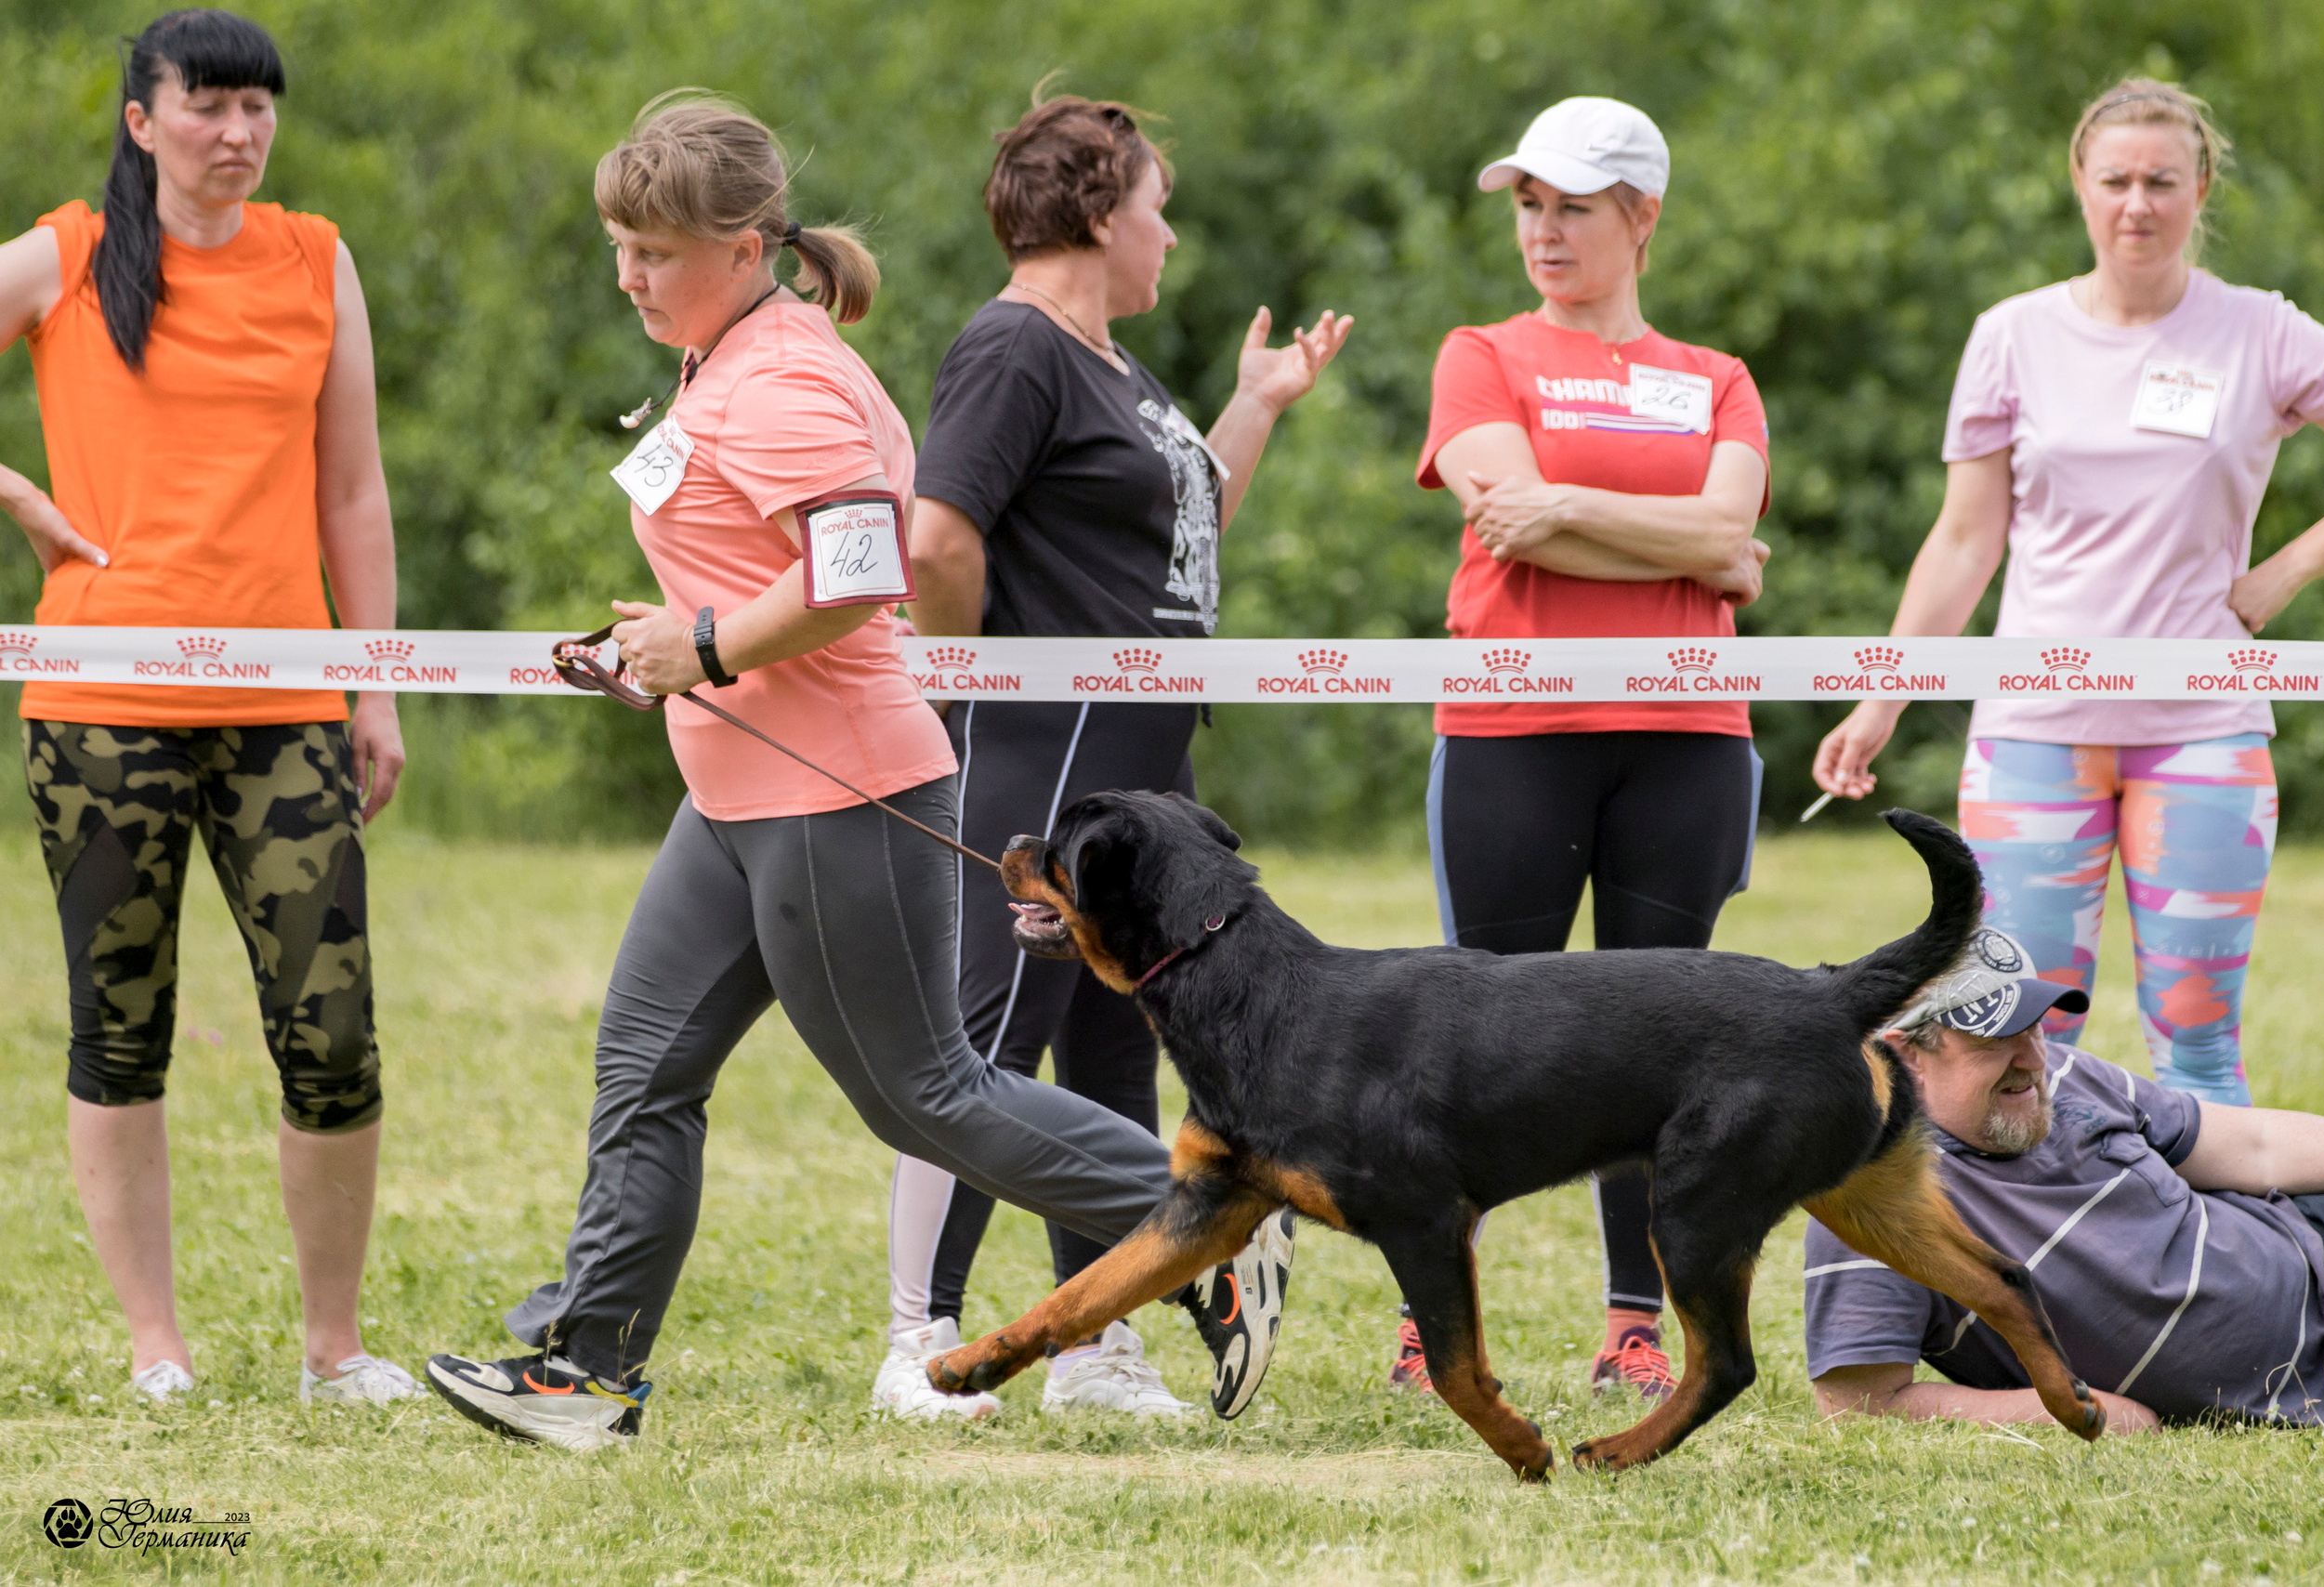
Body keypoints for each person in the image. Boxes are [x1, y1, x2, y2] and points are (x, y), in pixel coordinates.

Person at [423, 93, 1293, 1451]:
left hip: (839, 790)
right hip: (731, 793)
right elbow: (767, 566)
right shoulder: (737, 354)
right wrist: (662, 643)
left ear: (749, 243)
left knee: (928, 1091)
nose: (629, 276)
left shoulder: (783, 375)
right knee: (646, 1074)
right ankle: (584, 1376)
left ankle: (1214, 1209)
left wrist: (701, 642)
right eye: (619, 245)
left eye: (655, 250)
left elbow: (860, 570)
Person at [877, 95, 1349, 1420]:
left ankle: (1091, 1347)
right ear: (1098, 212)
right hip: (1043, 760)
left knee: (1111, 1047)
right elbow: (935, 538)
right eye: (1157, 206)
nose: (1172, 233)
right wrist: (972, 693)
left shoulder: (1117, 371)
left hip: (1136, 787)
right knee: (986, 1050)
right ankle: (920, 1338)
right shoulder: (1016, 346)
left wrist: (1254, 407)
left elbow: (1181, 547)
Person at [1810, 80, 2324, 1108]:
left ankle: (2223, 1266)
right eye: (2114, 179)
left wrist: (2285, 571)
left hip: (2202, 729)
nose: (2137, 204)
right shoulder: (2010, 336)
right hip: (2035, 732)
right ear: (2078, 183)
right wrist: (1881, 696)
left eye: (2161, 181)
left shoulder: (2261, 332)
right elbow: (1963, 538)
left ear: (2198, 187)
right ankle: (2034, 1262)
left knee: (2198, 1042)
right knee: (2018, 1037)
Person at [0, 9, 417, 1408]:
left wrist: (378, 683)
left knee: (333, 1027)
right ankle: (155, 1348)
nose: (238, 134)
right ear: (143, 120)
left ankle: (335, 1350)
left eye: (258, 110)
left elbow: (352, 493)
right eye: (209, 108)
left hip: (287, 707)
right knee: (120, 1025)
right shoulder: (67, 254)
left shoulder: (317, 258)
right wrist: (16, 500)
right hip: (98, 704)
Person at [1403, 97, 1772, 1401]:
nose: (1544, 230)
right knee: (1474, 1031)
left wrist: (1568, 503)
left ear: (1642, 215)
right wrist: (1676, 536)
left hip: (1685, 733)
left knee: (1656, 1041)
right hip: (1516, 724)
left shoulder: (1718, 378)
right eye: (1529, 204)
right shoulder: (1481, 354)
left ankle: (1636, 1320)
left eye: (1573, 205)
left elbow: (1727, 529)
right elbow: (1514, 522)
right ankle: (1432, 1320)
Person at [1805, 925, 2324, 1431]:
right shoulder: (1871, 1194)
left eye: (2034, 1028)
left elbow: (2256, 1147)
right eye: (1996, 1039)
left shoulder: (2066, 1071)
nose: (2033, 1060)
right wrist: (2058, 1407)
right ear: (1908, 1058)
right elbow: (1860, 1404)